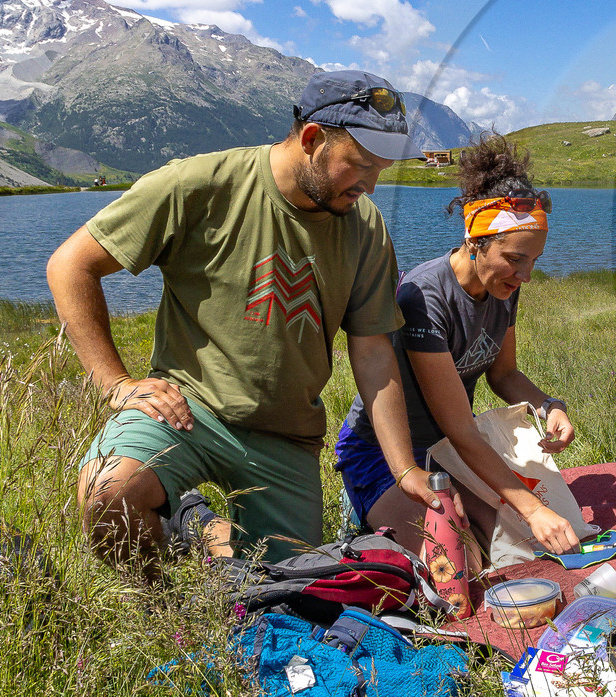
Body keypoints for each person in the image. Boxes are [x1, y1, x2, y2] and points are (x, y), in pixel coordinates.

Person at [48, 72, 427, 568]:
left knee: (287, 588)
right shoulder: (197, 184)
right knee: (108, 493)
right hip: (186, 410)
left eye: (382, 170)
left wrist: (404, 470)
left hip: (287, 437)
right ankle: (163, 606)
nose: (371, 185)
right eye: (361, 165)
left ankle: (198, 525)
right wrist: (115, 383)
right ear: (312, 139)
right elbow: (71, 265)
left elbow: (374, 353)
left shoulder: (367, 227)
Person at [334, 133, 581, 561]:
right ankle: (360, 514)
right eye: (514, 259)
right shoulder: (424, 298)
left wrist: (549, 405)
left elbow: (504, 374)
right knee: (458, 563)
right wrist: (533, 509)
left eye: (533, 261)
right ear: (474, 240)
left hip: (444, 453)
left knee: (508, 547)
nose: (525, 275)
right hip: (385, 454)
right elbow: (461, 428)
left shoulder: (504, 288)